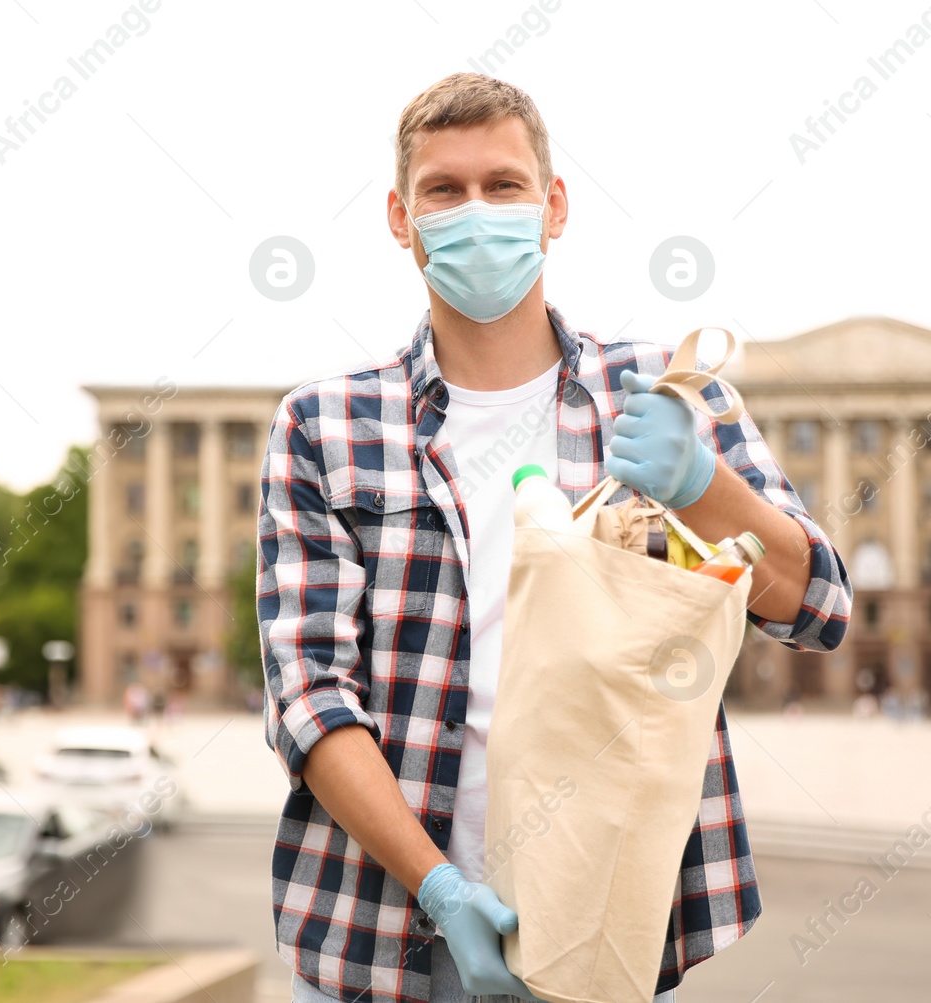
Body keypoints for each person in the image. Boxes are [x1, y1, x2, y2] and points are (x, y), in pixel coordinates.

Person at [258, 73, 852, 1003]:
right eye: (443, 191)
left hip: (606, 933)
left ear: (555, 205)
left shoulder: (667, 392)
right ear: (399, 218)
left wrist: (705, 485)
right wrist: (440, 887)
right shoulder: (324, 426)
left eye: (504, 185)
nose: (477, 212)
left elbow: (817, 607)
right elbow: (310, 699)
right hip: (376, 944)